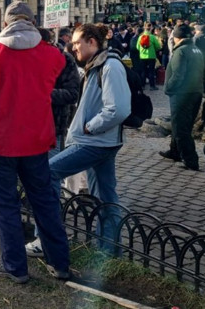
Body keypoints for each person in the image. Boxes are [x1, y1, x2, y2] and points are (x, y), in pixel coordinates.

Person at [0, 2, 70, 283]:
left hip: (0, 144)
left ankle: (15, 266)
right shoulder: (51, 55)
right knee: (44, 202)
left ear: (6, 24)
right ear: (33, 22)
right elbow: (59, 70)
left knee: (6, 206)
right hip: (36, 142)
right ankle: (60, 263)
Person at [48, 23, 131, 255]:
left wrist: (89, 127)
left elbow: (118, 109)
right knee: (105, 196)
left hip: (95, 142)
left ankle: (50, 235)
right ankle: (110, 250)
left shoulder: (110, 66)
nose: (73, 48)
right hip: (98, 141)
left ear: (92, 42)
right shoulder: (96, 65)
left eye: (77, 43)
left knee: (48, 171)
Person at [158, 24, 205, 170]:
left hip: (181, 94)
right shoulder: (198, 50)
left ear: (176, 37)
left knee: (181, 128)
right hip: (196, 93)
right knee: (180, 124)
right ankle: (175, 151)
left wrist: (168, 88)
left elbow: (178, 75)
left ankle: (190, 160)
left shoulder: (180, 52)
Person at [136, 23, 161, 90]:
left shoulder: (140, 37)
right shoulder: (152, 37)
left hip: (142, 56)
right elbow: (158, 46)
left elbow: (137, 47)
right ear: (151, 28)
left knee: (143, 71)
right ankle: (152, 86)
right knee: (151, 71)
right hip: (151, 56)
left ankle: (143, 85)